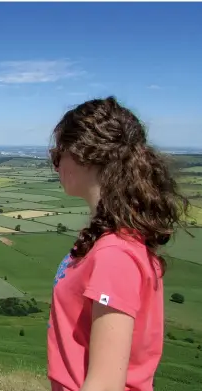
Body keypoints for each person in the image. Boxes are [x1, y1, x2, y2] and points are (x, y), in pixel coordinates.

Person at [47, 96, 190, 391]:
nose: (55, 164)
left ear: (82, 153)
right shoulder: (111, 239)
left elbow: (106, 384)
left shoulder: (114, 254)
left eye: (58, 153)